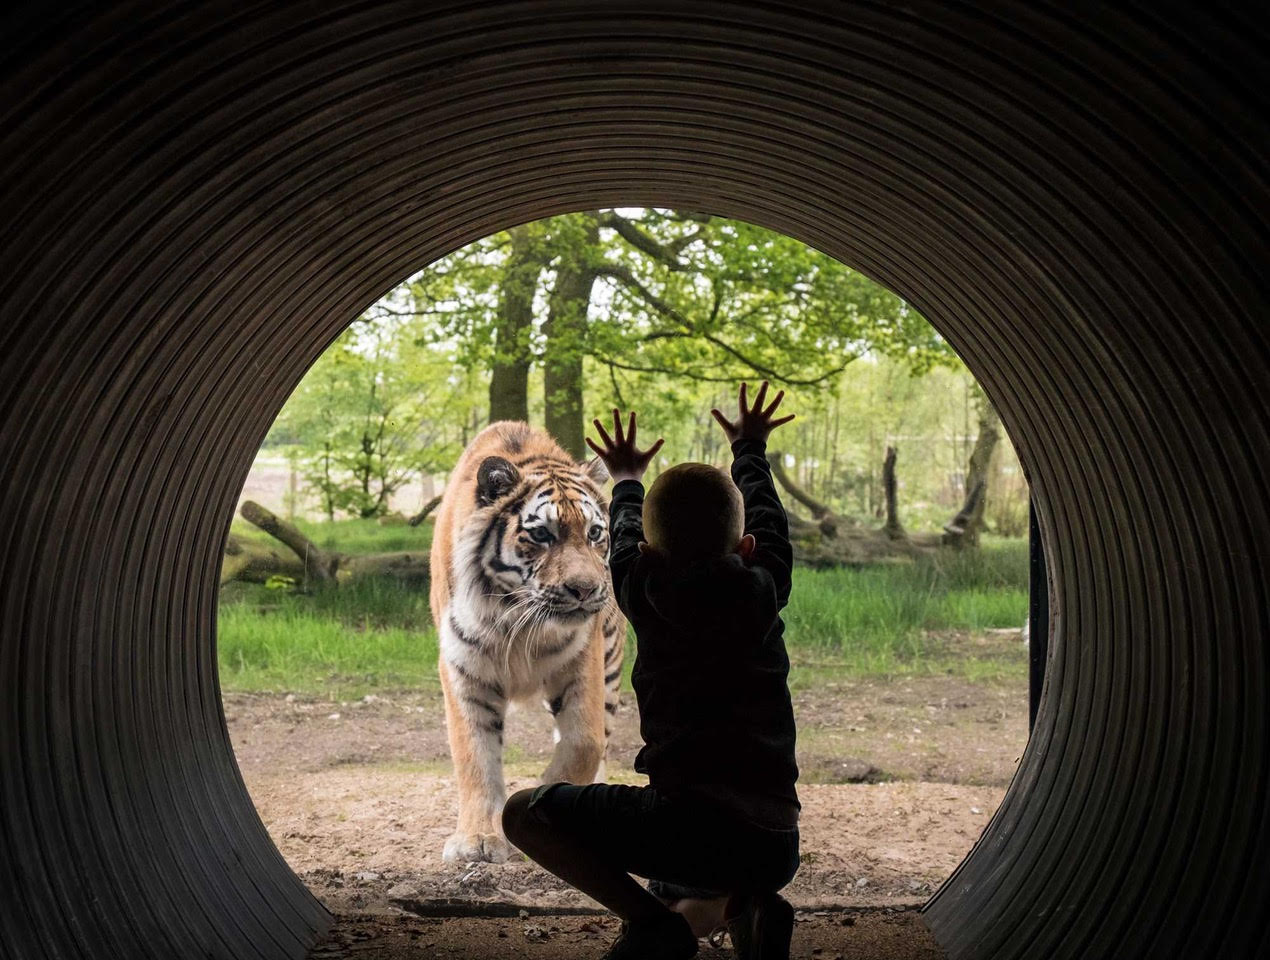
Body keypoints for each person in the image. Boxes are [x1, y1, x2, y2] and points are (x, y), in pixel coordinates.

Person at [502, 382, 801, 960]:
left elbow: (623, 538)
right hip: (774, 843)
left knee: (522, 814)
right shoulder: (766, 587)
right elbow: (769, 521)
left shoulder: (645, 591)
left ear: (648, 555)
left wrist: (627, 478)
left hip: (685, 829)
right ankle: (749, 907)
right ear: (747, 547)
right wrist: (750, 449)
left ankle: (651, 924)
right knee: (686, 877)